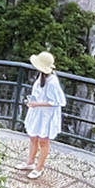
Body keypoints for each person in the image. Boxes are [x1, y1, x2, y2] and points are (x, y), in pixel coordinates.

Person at [22, 51, 65, 180]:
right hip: (38, 112)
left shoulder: (52, 82)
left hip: (46, 115)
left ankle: (39, 167)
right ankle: (30, 162)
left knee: (43, 142)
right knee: (33, 137)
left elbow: (58, 102)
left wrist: (37, 104)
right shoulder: (41, 76)